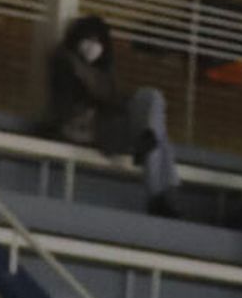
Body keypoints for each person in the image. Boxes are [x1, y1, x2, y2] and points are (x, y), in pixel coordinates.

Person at [41, 12, 180, 216]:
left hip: (108, 123)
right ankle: (159, 194)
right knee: (158, 138)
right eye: (88, 39)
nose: (92, 45)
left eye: (98, 41)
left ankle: (148, 139)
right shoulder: (66, 61)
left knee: (152, 98)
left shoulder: (102, 72)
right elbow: (99, 98)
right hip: (86, 127)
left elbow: (110, 98)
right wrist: (118, 102)